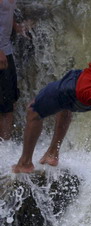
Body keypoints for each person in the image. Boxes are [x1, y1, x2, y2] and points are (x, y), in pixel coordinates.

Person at [0, 0, 22, 141]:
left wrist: (16, 27)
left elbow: (6, 13)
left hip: (6, 50)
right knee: (4, 105)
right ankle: (4, 146)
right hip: (1, 51)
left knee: (9, 100)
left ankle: (5, 145)